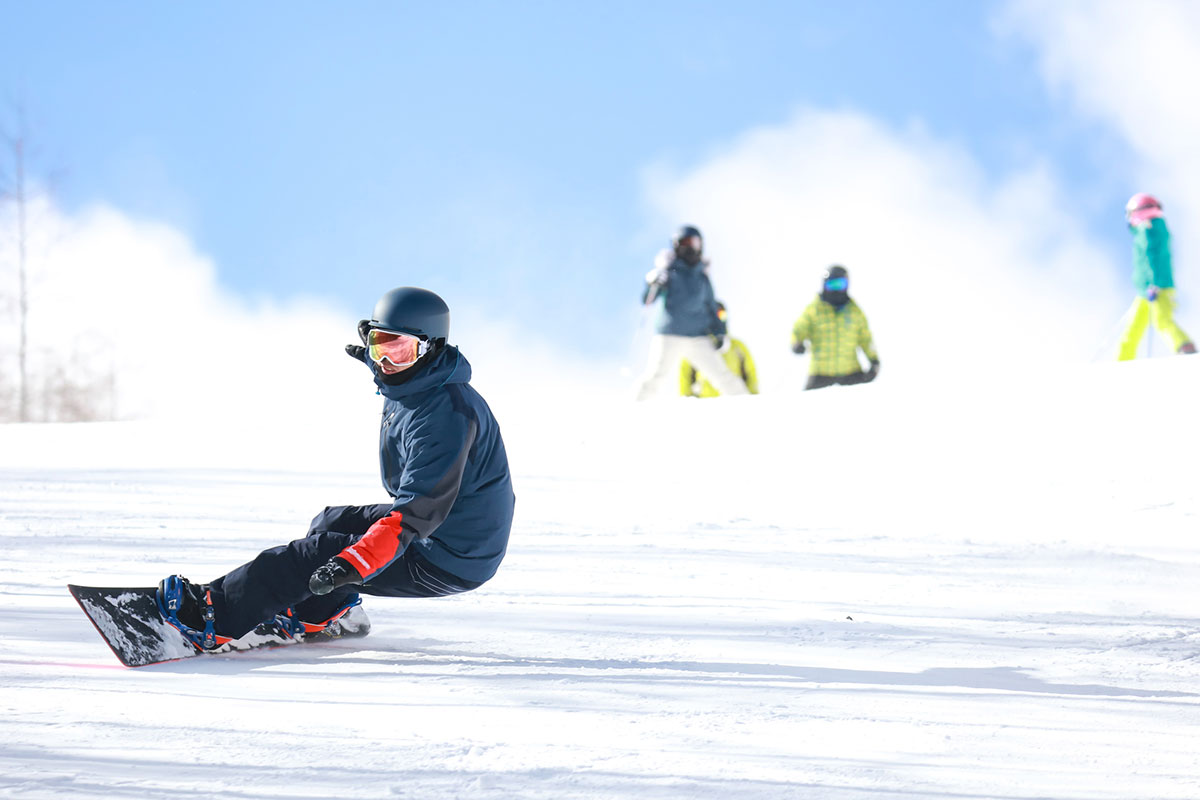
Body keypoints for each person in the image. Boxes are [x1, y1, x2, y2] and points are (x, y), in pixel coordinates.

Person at [156, 287, 515, 652]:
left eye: (400, 351)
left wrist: (352, 563)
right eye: (379, 346)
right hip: (448, 530)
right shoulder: (421, 386)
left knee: (315, 555)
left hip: (451, 554)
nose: (386, 363)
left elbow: (416, 513)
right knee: (332, 524)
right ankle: (315, 612)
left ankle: (210, 618)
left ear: (430, 348)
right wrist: (382, 362)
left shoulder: (444, 415)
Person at [634, 225, 750, 400]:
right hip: (669, 335)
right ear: (677, 246)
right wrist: (653, 282)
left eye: (694, 243)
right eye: (685, 243)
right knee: (654, 378)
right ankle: (632, 412)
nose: (690, 248)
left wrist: (720, 333)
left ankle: (749, 406)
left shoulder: (702, 277)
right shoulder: (669, 272)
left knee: (724, 377)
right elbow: (648, 299)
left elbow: (711, 307)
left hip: (697, 337)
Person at [1117, 193, 1196, 360]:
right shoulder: (1149, 230)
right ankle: (1122, 360)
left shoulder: (1149, 229)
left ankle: (1184, 347)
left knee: (1162, 321)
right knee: (1133, 328)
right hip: (1145, 291)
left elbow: (1152, 257)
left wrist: (1154, 283)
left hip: (1157, 288)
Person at [790, 265, 880, 391]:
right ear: (824, 285)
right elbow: (798, 330)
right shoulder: (814, 310)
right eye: (832, 285)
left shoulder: (854, 311)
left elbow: (866, 338)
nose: (836, 290)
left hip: (850, 372)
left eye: (840, 284)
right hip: (820, 373)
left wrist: (874, 360)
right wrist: (796, 343)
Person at [680, 302, 759, 397]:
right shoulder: (697, 346)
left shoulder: (738, 346)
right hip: (705, 402)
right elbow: (685, 374)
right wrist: (686, 399)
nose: (718, 320)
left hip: (734, 401)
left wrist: (753, 397)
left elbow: (750, 373)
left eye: (722, 315)